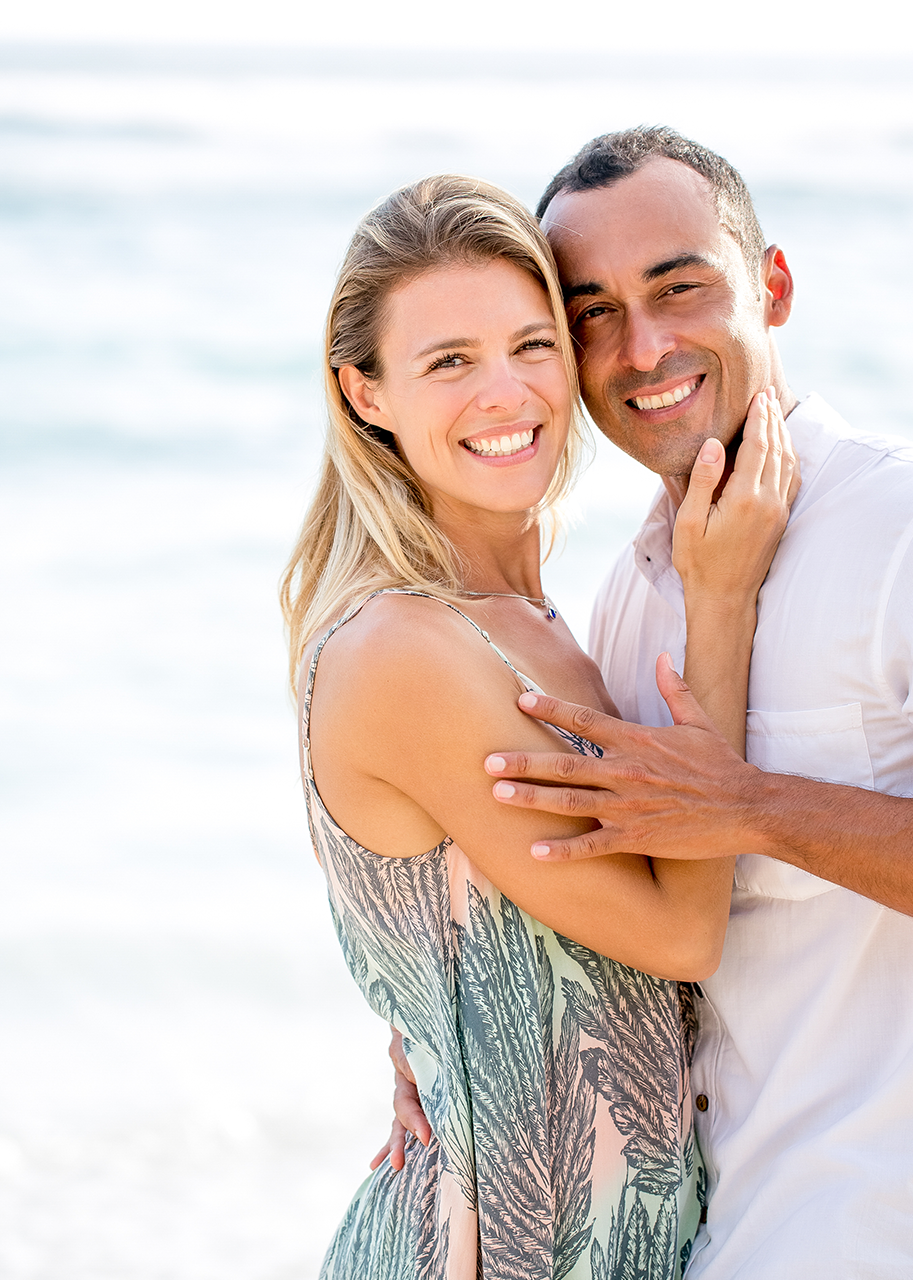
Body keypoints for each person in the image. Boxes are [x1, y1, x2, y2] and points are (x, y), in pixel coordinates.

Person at [379, 129, 913, 1278]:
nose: (643, 347)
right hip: (705, 1228)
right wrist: (446, 1024)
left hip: (884, 1231)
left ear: (771, 286)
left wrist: (754, 806)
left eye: (679, 288)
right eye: (592, 313)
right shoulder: (630, 589)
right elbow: (618, 897)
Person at [281, 174, 797, 1279]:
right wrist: (723, 601)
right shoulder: (401, 648)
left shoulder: (547, 620)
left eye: (532, 343)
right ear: (365, 393)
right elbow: (678, 935)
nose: (506, 392)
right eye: (449, 360)